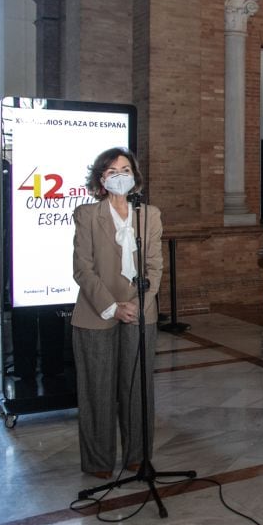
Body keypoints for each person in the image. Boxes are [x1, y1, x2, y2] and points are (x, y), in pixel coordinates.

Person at [71, 148, 163, 479]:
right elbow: (83, 269)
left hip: (141, 312)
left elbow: (154, 265)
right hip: (97, 313)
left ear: (135, 177)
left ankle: (138, 455)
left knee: (138, 389)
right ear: (101, 179)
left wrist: (141, 303)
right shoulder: (86, 214)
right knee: (98, 390)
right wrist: (112, 307)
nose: (120, 175)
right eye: (112, 171)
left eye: (126, 169)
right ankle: (98, 462)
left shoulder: (149, 215)